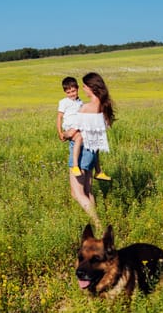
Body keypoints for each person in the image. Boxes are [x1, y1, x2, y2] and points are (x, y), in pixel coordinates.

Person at [68, 72, 115, 229]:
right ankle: (94, 223)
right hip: (93, 152)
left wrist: (64, 134)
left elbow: (75, 130)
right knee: (88, 192)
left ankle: (98, 224)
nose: (83, 89)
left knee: (77, 193)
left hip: (80, 151)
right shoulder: (104, 107)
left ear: (91, 88)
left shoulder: (86, 108)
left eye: (84, 86)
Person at [57, 77, 111, 180]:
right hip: (70, 127)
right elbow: (59, 117)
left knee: (95, 143)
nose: (72, 94)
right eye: (68, 92)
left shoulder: (80, 102)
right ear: (65, 93)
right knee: (79, 138)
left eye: (73, 91)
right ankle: (75, 166)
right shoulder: (64, 102)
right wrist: (60, 132)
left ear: (77, 89)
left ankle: (98, 171)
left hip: (80, 126)